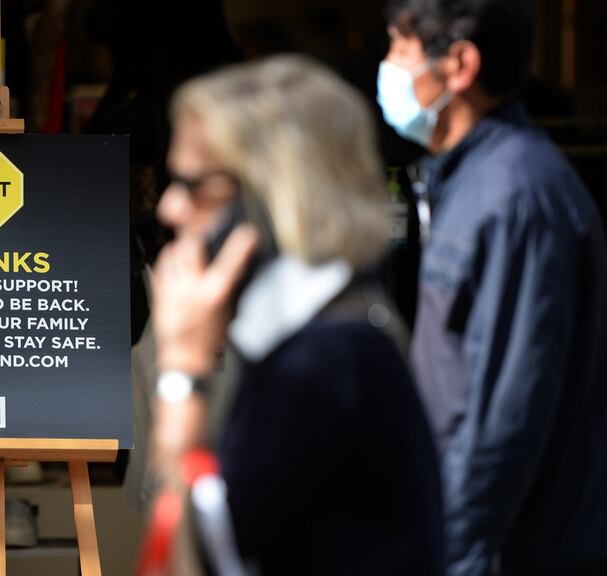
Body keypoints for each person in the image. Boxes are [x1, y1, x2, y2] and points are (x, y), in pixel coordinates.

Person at [147, 55, 443, 574]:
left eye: (197, 186)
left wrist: (182, 373)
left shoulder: (321, 361)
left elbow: (196, 553)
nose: (169, 208)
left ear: (276, 196)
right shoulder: (307, 333)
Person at [376, 1, 607, 574]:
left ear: (460, 66)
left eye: (400, 49)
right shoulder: (477, 183)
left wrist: (449, 555)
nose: (387, 67)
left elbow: (502, 421)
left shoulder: (511, 198)